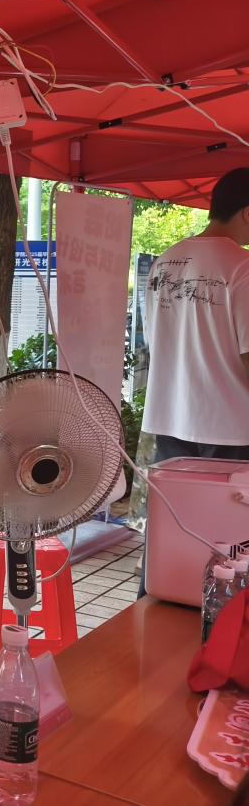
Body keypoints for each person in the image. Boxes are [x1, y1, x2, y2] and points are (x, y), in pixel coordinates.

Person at [137, 167, 249, 596]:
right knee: (229, 542)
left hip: (170, 422)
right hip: (231, 431)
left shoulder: (164, 261)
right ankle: (219, 623)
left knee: (173, 533)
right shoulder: (242, 268)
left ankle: (156, 611)